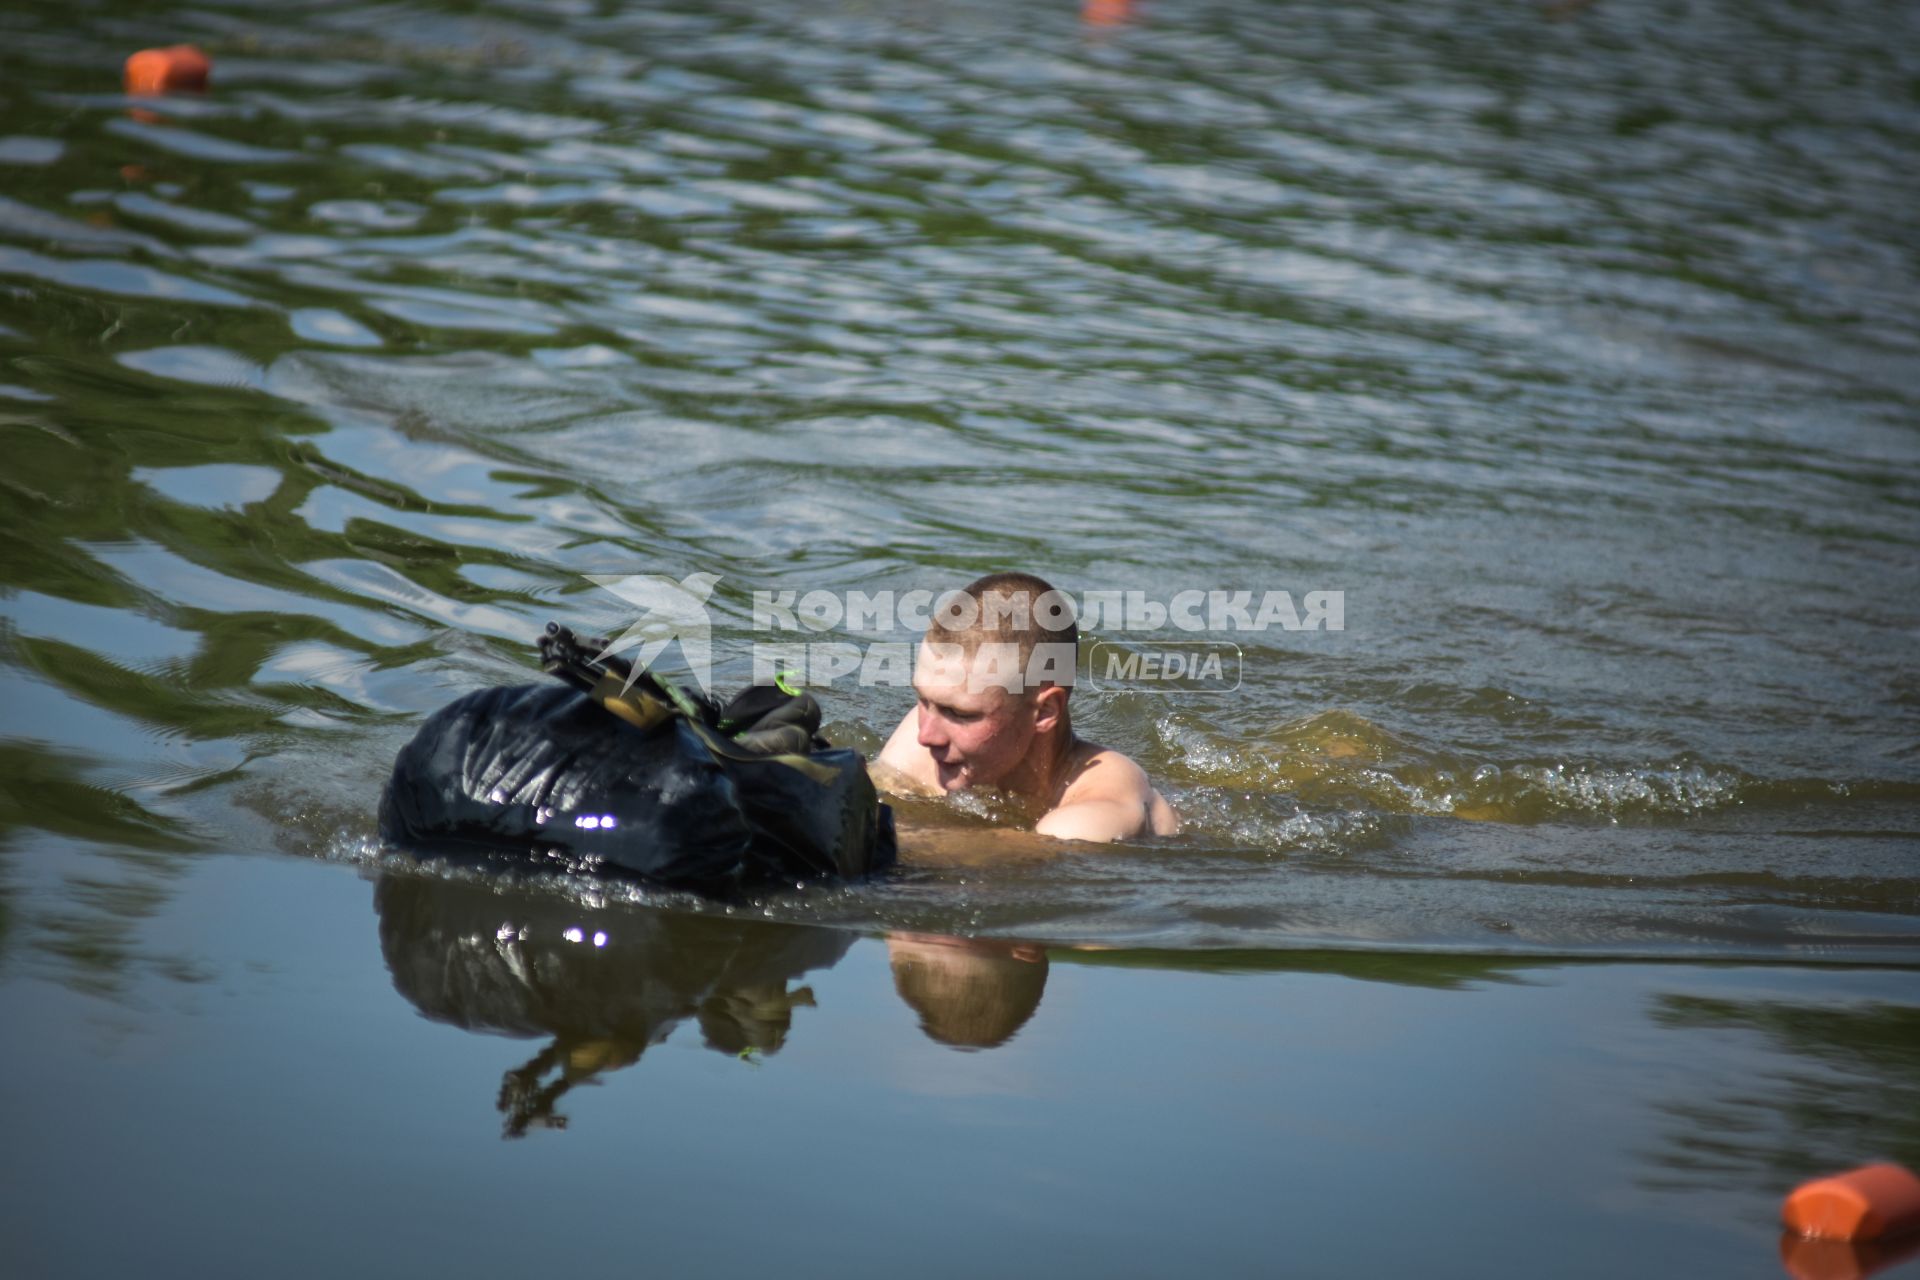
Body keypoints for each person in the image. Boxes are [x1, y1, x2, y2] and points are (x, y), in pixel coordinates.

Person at [876, 572, 1179, 842]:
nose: (926, 736)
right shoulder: (928, 737)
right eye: (924, 701)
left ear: (1046, 711)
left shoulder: (1091, 816)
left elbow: (993, 861)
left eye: (960, 714)